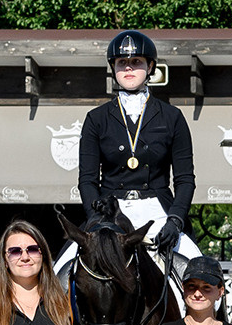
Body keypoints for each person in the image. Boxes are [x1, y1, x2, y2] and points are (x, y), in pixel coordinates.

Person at [75, 30, 197, 263]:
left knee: (198, 269)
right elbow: (87, 180)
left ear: (150, 67)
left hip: (159, 210)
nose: (128, 68)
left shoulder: (172, 117)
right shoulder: (96, 118)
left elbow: (185, 180)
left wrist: (175, 220)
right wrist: (95, 218)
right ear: (113, 68)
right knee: (62, 269)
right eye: (122, 62)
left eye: (136, 62)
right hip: (110, 212)